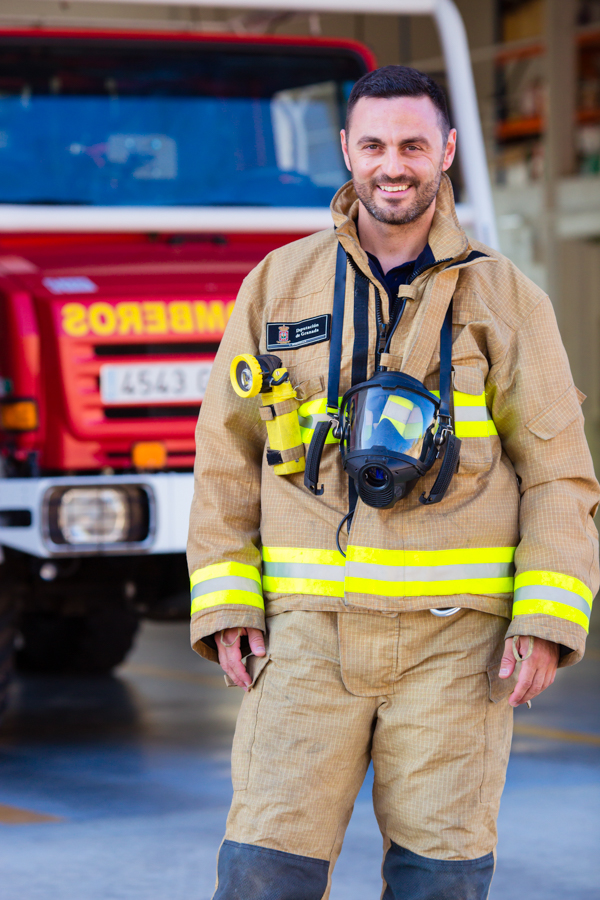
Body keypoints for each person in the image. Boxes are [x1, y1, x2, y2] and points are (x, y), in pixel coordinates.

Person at [187, 66, 599, 900]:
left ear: (446, 151)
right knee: (265, 871)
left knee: (441, 879)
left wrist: (549, 618)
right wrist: (225, 605)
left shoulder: (509, 300)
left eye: (414, 144)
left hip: (456, 649)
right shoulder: (276, 285)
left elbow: (559, 470)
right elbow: (225, 455)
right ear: (346, 150)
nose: (393, 164)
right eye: (373, 144)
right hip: (304, 641)